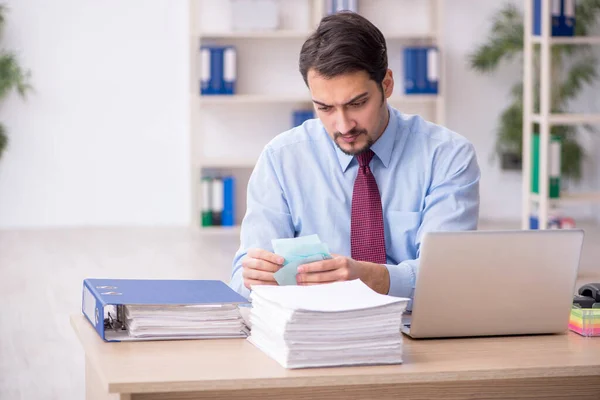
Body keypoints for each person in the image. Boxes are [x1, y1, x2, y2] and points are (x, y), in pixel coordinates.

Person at [229, 12, 480, 300]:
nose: (343, 125)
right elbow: (241, 281)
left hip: (413, 328)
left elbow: (447, 277)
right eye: (325, 108)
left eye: (357, 103)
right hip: (315, 332)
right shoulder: (281, 159)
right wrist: (255, 277)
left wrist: (373, 278)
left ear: (386, 85)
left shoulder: (447, 156)